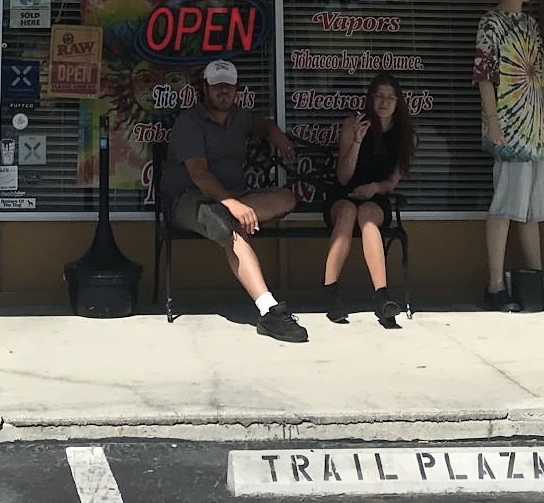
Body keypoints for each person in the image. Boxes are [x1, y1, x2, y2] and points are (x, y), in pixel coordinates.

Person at [160, 59, 307, 342]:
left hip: (232, 199)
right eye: (217, 86)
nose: (223, 91)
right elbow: (199, 174)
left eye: (228, 85)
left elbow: (260, 123)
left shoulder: (238, 117)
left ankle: (228, 215)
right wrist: (232, 203)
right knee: (226, 227)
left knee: (286, 198)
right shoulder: (190, 123)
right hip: (189, 200)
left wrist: (275, 133)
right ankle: (269, 310)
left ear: (237, 89)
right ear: (205, 88)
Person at [475, 0, 544, 309]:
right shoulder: (491, 23)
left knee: (532, 206)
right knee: (506, 201)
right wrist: (493, 120)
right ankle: (495, 285)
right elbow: (484, 75)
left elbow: (539, 75)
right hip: (510, 125)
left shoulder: (531, 24)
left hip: (533, 124)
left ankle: (537, 280)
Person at [321, 71, 415, 326]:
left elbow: (392, 182)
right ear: (370, 99)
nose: (384, 103)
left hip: (375, 196)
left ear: (398, 102)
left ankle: (382, 296)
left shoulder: (406, 135)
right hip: (344, 195)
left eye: (390, 98)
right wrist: (357, 141)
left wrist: (374, 188)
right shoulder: (353, 124)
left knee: (367, 216)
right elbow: (343, 177)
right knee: (348, 212)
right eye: (379, 96)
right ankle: (330, 291)